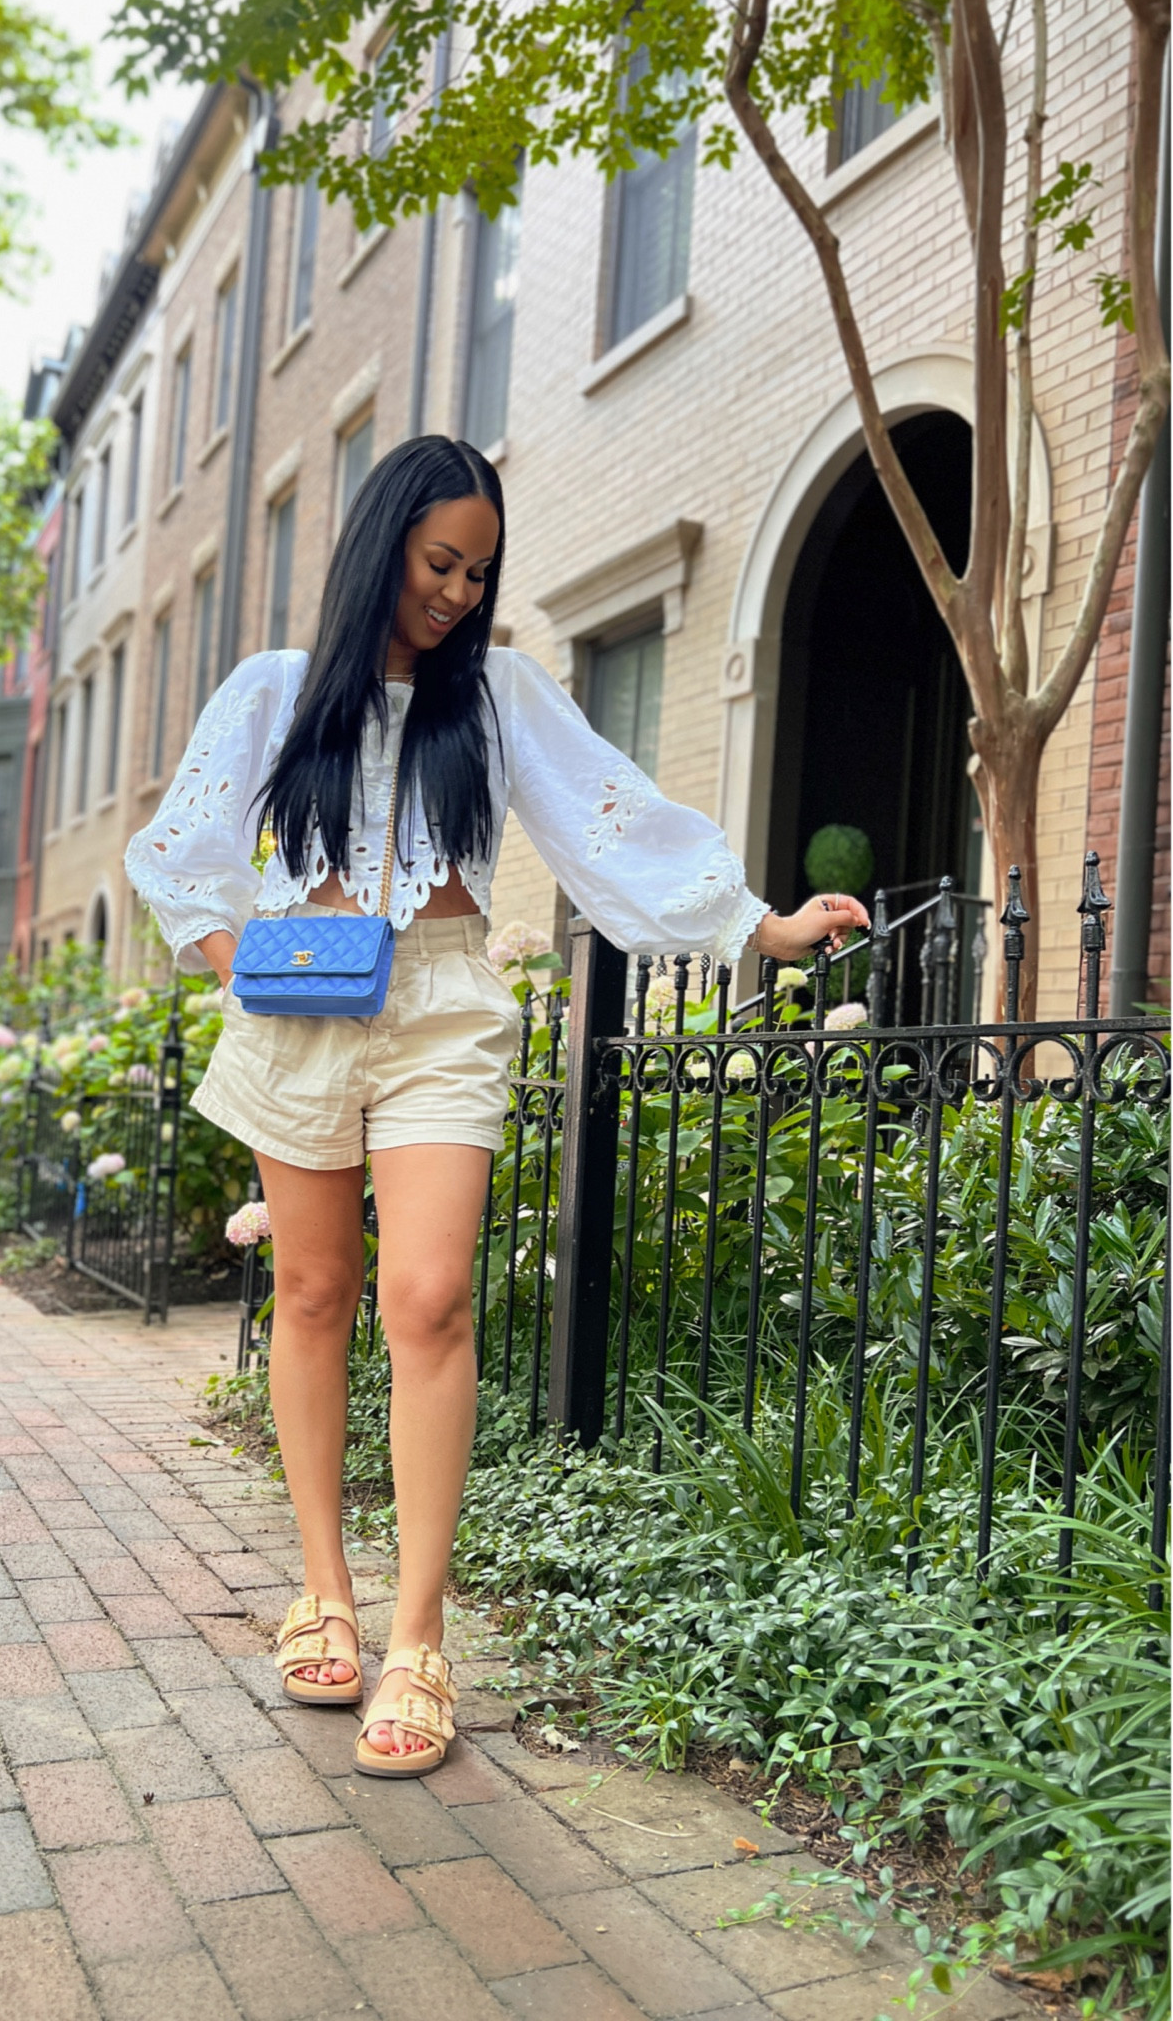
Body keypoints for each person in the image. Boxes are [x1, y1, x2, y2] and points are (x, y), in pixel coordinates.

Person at [126, 435, 867, 1779]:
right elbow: (182, 844)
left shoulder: (500, 696)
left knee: (428, 1298)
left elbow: (612, 821)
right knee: (312, 1290)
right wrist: (244, 958)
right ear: (381, 547)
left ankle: (418, 1637)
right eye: (438, 562)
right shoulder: (275, 691)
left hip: (441, 1007)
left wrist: (758, 925)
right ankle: (323, 1591)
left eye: (478, 570)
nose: (458, 592)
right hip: (300, 1002)